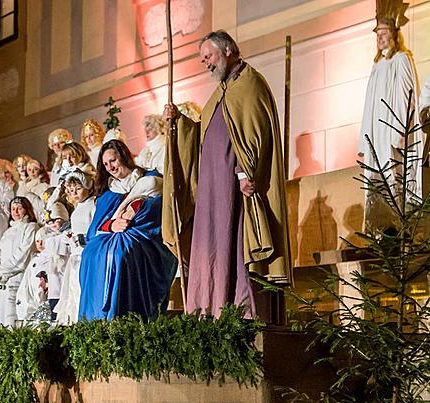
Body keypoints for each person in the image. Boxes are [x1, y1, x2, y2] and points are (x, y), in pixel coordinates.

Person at [163, 30, 291, 318]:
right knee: (211, 247)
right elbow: (202, 136)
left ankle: (238, 311)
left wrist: (245, 171)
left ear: (229, 49)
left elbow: (256, 133)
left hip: (234, 190)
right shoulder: (220, 92)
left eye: (208, 56)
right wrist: (178, 124)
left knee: (235, 246)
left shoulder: (250, 84)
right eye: (202, 59)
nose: (205, 63)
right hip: (211, 191)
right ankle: (208, 307)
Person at [78, 139, 177, 321]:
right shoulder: (108, 192)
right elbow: (93, 231)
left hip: (147, 238)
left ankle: (129, 315)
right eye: (106, 164)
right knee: (90, 254)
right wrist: (111, 225)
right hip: (111, 237)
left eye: (113, 160)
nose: (110, 167)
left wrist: (138, 208)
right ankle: (98, 319)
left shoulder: (148, 178)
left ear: (123, 156)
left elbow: (161, 209)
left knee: (121, 253)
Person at [358, 5, 421, 231]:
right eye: (378, 35)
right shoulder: (377, 66)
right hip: (377, 134)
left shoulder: (402, 60)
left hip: (393, 132)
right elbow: (369, 105)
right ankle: (380, 228)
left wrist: (404, 130)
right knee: (377, 177)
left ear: (394, 36)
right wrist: (365, 140)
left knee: (393, 175)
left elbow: (408, 97)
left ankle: (396, 227)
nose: (380, 39)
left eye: (384, 34)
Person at [55, 167, 98, 325]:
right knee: (72, 290)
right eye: (71, 190)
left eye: (78, 189)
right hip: (75, 255)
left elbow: (95, 228)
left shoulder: (93, 205)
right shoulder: (76, 209)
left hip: (86, 254)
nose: (75, 193)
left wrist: (85, 239)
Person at [0, 197, 39, 327]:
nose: (15, 212)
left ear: (26, 210)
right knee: (3, 319)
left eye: (19, 208)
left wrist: (3, 272)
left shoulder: (31, 227)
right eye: (12, 209)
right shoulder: (7, 232)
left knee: (15, 317)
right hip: (4, 280)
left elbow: (23, 254)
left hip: (19, 278)